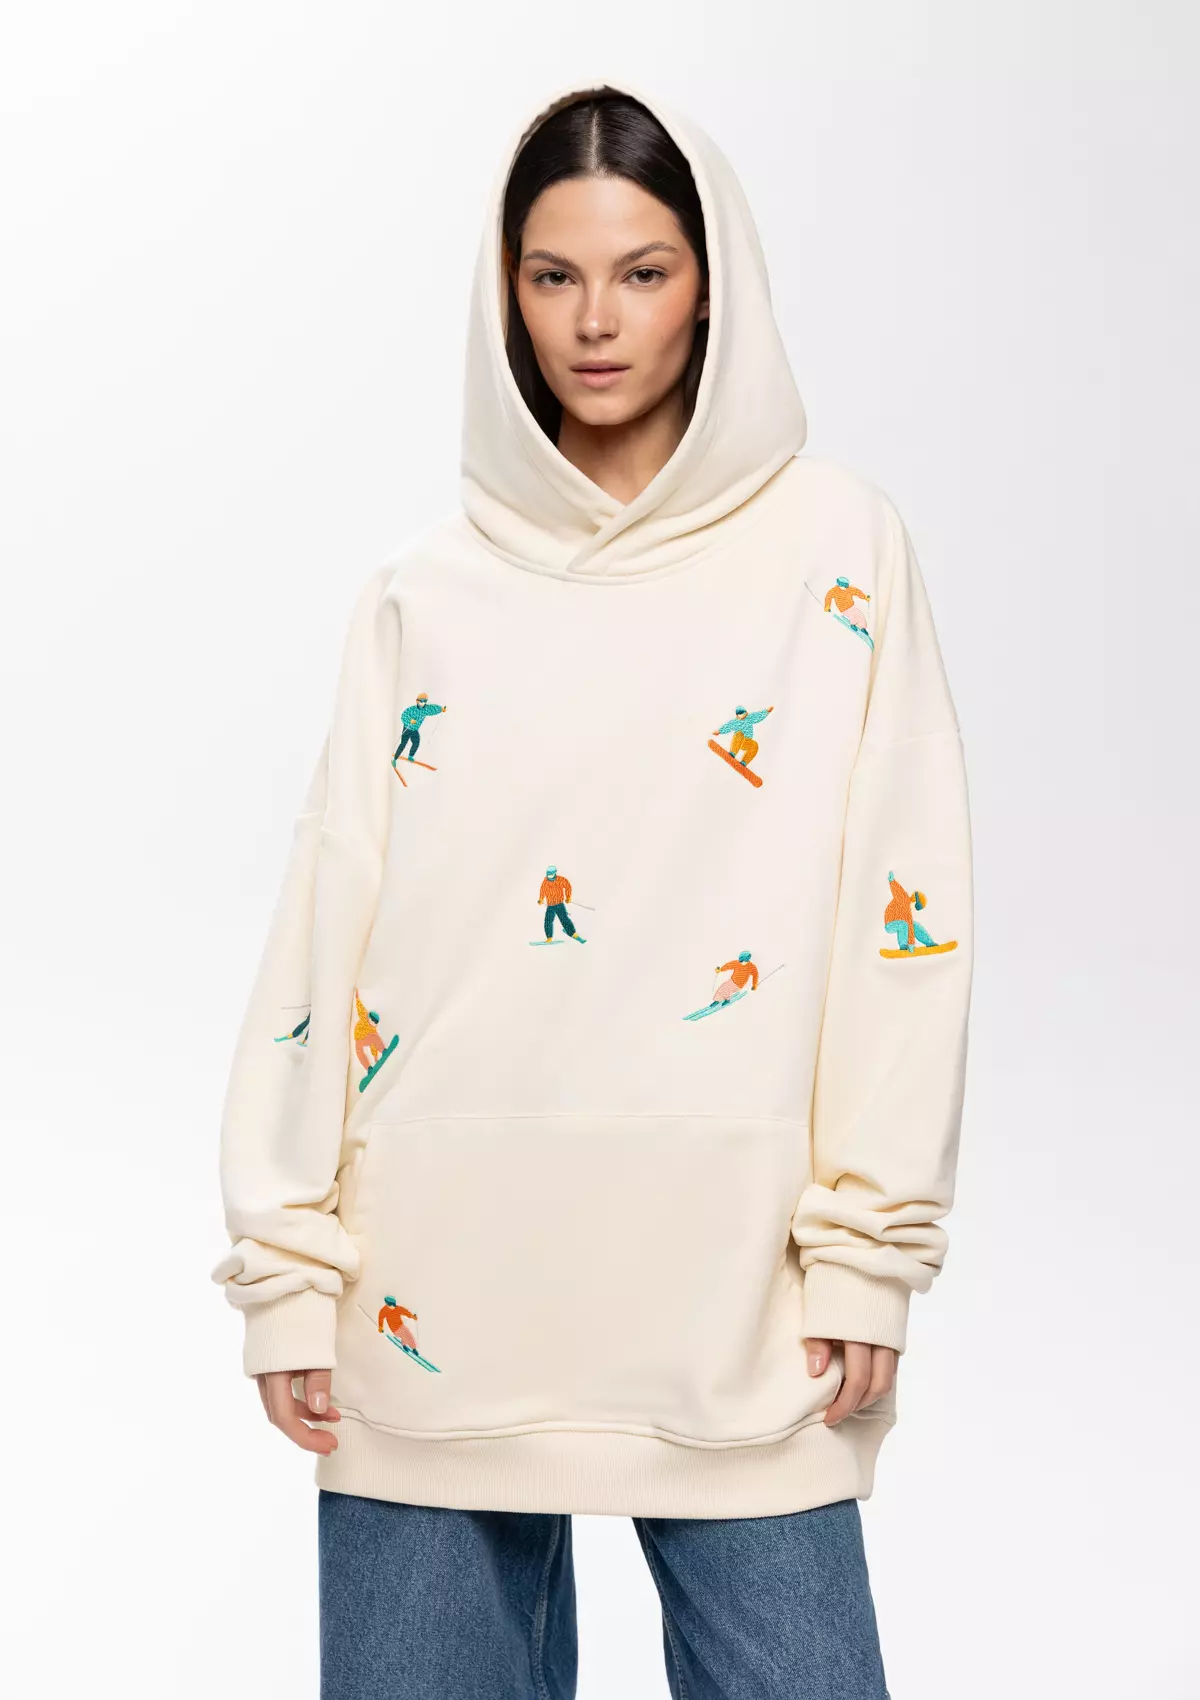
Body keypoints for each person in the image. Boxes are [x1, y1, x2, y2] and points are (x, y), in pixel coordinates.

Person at [210, 76, 974, 1700]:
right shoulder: (423, 592)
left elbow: (903, 922)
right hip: (431, 1287)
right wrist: (287, 1273)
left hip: (739, 1288)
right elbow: (324, 929)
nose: (597, 322)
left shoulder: (838, 552)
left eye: (643, 272)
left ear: (714, 283)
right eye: (553, 275)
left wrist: (867, 1251)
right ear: (508, 293)